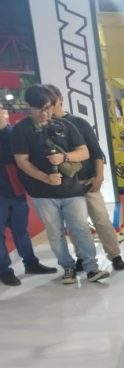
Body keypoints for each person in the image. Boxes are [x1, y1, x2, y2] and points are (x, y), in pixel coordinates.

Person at [12, 85, 109, 284]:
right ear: (29, 107)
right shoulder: (21, 130)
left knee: (81, 228)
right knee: (55, 233)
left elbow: (84, 152)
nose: (45, 113)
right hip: (42, 193)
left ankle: (91, 267)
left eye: (48, 108)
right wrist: (45, 178)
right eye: (39, 109)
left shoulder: (65, 125)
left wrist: (63, 157)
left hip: (72, 190)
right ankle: (68, 267)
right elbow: (22, 161)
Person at [45, 84, 124, 270]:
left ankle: (115, 255)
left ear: (60, 99)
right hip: (65, 185)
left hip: (87, 181)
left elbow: (97, 153)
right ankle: (82, 257)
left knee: (101, 219)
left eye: (51, 100)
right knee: (75, 224)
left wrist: (99, 177)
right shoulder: (45, 128)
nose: (48, 105)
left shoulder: (78, 123)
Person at [0, 102, 56, 286]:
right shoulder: (14, 133)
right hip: (6, 192)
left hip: (16, 190)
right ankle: (4, 270)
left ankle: (30, 263)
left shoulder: (14, 133)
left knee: (21, 230)